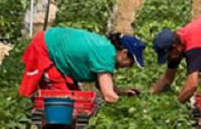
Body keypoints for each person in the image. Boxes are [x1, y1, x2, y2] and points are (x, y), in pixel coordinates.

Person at [18, 27, 146, 103]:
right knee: (63, 102)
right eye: (132, 62)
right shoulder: (105, 54)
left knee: (75, 100)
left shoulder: (106, 50)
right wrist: (132, 109)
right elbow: (107, 95)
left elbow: (102, 84)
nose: (130, 66)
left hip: (56, 50)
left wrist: (122, 93)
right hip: (46, 50)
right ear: (124, 54)